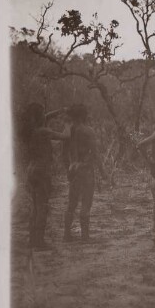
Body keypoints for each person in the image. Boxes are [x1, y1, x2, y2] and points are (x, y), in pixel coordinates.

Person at [21, 103, 69, 250]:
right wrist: (68, 122)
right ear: (39, 117)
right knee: (42, 207)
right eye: (42, 113)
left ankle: (32, 240)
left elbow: (46, 117)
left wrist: (59, 110)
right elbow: (65, 136)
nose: (45, 115)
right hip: (42, 171)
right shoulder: (44, 131)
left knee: (35, 207)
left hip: (31, 170)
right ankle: (40, 242)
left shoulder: (31, 131)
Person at [63, 103, 107, 242]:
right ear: (83, 115)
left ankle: (66, 234)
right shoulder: (88, 131)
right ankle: (85, 236)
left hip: (73, 168)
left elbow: (64, 153)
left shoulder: (69, 131)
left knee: (72, 203)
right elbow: (95, 154)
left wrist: (69, 168)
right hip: (86, 169)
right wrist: (103, 172)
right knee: (86, 203)